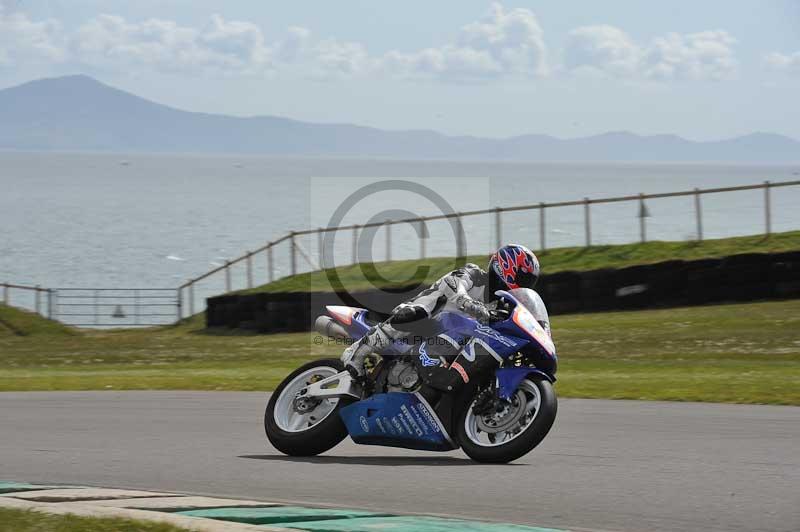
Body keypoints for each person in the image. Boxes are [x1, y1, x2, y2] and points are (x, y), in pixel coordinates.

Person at [342, 244, 544, 381]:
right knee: (415, 313)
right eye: (523, 278)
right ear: (505, 267)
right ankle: (358, 352)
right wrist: (473, 306)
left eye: (529, 282)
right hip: (428, 317)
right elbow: (455, 288)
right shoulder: (473, 274)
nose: (526, 285)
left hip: (454, 338)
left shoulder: (501, 306)